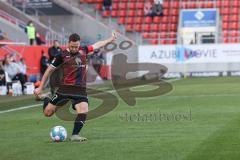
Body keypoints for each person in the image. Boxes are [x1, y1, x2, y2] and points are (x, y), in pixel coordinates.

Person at [34, 31, 117, 142]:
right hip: (65, 89)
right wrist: (40, 87)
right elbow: (48, 71)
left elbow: (97, 44)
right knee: (47, 113)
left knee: (83, 110)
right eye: (72, 46)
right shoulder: (61, 55)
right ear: (68, 43)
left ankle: (75, 135)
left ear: (79, 44)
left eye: (76, 46)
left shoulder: (84, 50)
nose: (74, 48)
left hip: (80, 90)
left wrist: (110, 40)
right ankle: (47, 98)